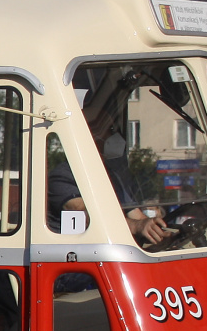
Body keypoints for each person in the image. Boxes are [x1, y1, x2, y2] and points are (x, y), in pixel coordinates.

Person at [47, 73, 171, 247]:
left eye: (113, 129)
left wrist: (158, 227)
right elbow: (84, 214)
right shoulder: (62, 177)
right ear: (91, 134)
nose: (113, 136)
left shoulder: (112, 176)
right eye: (109, 129)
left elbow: (137, 216)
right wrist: (136, 227)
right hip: (78, 262)